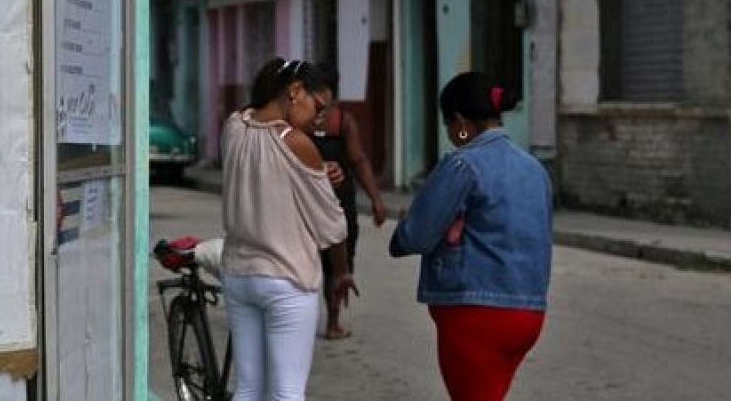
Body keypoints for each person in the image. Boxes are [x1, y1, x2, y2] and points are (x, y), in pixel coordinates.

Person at [389, 72, 553, 401]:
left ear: (460, 122)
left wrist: (404, 231)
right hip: (528, 313)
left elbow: (416, 236)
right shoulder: (535, 169)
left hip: (475, 313)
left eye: (449, 125)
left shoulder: (463, 165)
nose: (451, 134)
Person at [221, 57, 356, 401]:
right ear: (295, 91)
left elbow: (269, 174)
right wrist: (340, 272)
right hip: (285, 279)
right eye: (318, 106)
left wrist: (317, 170)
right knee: (287, 392)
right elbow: (332, 225)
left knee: (249, 388)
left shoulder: (235, 125)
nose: (320, 117)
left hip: (239, 276)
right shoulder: (296, 141)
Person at [309, 78, 388, 340]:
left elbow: (358, 160)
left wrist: (376, 199)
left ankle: (331, 320)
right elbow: (359, 160)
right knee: (327, 266)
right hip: (313, 204)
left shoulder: (342, 122)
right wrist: (375, 199)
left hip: (336, 203)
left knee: (336, 266)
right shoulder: (332, 120)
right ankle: (329, 323)